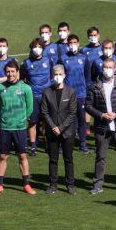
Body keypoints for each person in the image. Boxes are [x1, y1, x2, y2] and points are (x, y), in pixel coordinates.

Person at [86, 57, 116, 195]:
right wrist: (101, 115)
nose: (107, 70)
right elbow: (88, 106)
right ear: (102, 69)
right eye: (105, 67)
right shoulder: (94, 86)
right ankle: (97, 184)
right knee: (100, 156)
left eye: (110, 67)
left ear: (115, 69)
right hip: (102, 128)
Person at [0, 60, 35, 195]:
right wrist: (4, 119)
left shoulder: (26, 88)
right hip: (5, 128)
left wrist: (21, 119)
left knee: (22, 156)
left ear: (17, 72)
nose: (10, 74)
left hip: (20, 128)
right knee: (3, 156)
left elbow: (29, 108)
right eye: (8, 72)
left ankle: (26, 184)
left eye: (12, 71)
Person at [41, 64, 78, 195]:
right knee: (53, 159)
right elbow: (44, 112)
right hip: (52, 132)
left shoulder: (71, 92)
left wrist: (61, 128)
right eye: (55, 74)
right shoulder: (46, 92)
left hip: (67, 132)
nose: (57, 77)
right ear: (52, 76)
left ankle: (70, 185)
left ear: (64, 75)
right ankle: (53, 184)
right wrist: (53, 127)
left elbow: (73, 113)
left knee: (68, 159)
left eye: (60, 74)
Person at [62, 34, 92, 154]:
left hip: (81, 94)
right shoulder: (63, 58)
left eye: (75, 42)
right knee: (69, 119)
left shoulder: (84, 58)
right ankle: (69, 142)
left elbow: (88, 77)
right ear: (67, 44)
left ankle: (83, 144)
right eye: (70, 43)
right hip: (68, 94)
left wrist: (87, 91)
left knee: (82, 119)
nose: (72, 45)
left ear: (78, 44)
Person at [23, 38, 52, 157]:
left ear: (43, 49)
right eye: (34, 47)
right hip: (33, 97)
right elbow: (21, 77)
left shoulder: (48, 60)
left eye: (39, 47)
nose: (37, 49)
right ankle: (33, 146)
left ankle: (46, 144)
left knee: (46, 121)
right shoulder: (26, 63)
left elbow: (53, 75)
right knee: (33, 122)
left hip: (46, 95)